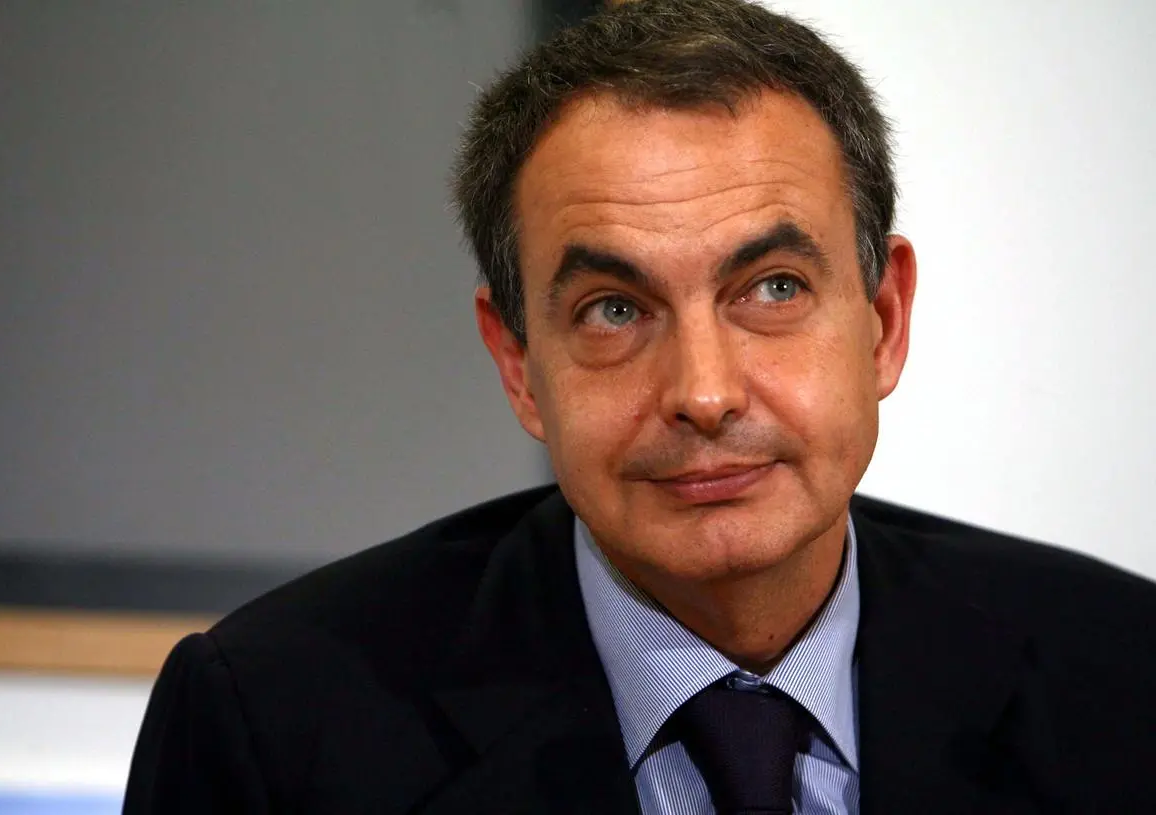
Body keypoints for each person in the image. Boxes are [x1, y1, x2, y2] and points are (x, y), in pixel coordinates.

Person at [123, 0, 1156, 812]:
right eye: (614, 309)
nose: (704, 392)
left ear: (883, 321)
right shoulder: (273, 724)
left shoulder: (1125, 673)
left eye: (773, 289)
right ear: (519, 363)